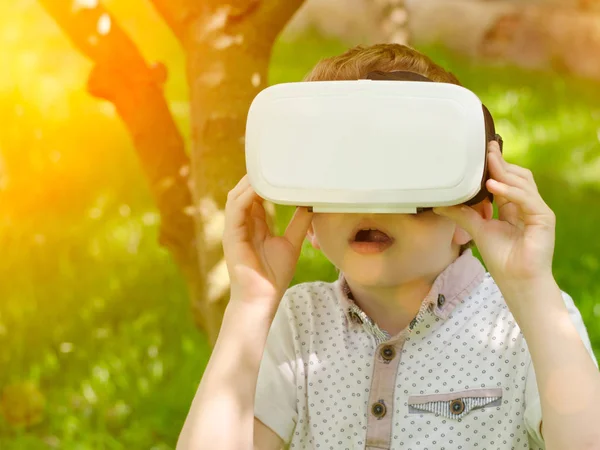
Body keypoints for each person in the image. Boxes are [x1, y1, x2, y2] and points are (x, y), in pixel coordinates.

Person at [176, 44, 600, 450]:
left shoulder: (523, 324)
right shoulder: (298, 324)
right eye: (339, 177)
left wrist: (530, 288)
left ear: (473, 216)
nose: (371, 204)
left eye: (404, 173)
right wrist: (250, 305)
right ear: (309, 222)